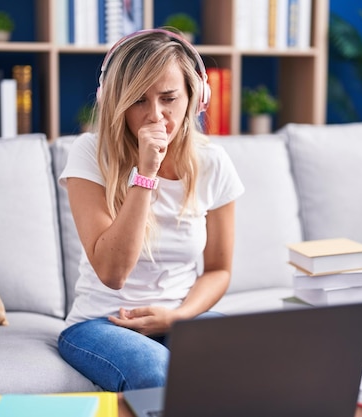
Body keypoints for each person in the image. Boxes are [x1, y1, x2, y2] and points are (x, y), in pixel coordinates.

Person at [57, 28, 245, 392]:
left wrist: (178, 317)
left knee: (251, 358)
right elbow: (113, 273)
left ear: (195, 97)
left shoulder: (213, 163)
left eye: (169, 98)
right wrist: (146, 174)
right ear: (116, 102)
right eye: (138, 100)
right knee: (158, 374)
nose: (155, 116)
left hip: (179, 318)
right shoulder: (89, 154)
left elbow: (219, 270)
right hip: (101, 322)